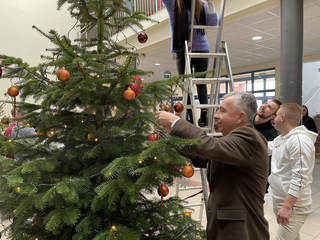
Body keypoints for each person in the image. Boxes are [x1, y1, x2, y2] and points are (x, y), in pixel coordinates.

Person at [156, 92, 269, 240]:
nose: (215, 115)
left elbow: (210, 147)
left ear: (241, 116)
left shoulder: (249, 138)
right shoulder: (231, 140)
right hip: (225, 227)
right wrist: (171, 135)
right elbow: (203, 157)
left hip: (242, 230)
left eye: (222, 110)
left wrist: (176, 122)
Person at [161, 0, 218, 126]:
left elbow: (213, 23)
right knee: (185, 85)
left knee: (200, 83)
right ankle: (190, 116)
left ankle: (204, 115)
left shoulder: (201, 4)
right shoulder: (174, 4)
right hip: (182, 49)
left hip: (201, 49)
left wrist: (211, 4)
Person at [268, 103, 317, 240]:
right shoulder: (282, 138)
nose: (274, 118)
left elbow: (300, 177)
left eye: (276, 115)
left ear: (282, 118)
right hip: (281, 201)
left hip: (294, 207)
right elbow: (267, 147)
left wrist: (287, 207)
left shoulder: (299, 141)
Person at [254, 99, 282, 192]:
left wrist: (262, 188)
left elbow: (268, 165)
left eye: (269, 107)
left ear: (273, 116)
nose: (264, 106)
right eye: (265, 103)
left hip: (252, 180)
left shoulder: (271, 135)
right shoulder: (245, 119)